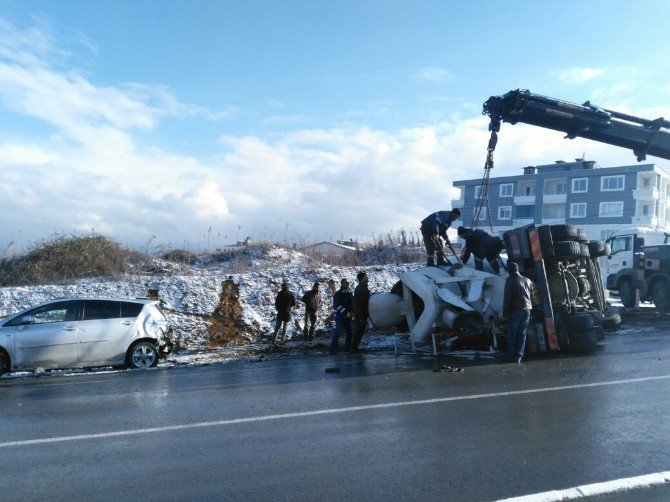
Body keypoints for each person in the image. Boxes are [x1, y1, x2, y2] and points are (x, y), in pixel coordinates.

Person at [502, 262, 533, 363]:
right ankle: (519, 356)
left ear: (508, 270)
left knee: (512, 333)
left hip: (516, 310)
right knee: (522, 333)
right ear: (517, 269)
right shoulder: (527, 280)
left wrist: (505, 312)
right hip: (527, 309)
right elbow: (532, 295)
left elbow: (507, 298)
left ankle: (509, 356)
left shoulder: (510, 280)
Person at [330, 278, 353, 354]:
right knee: (338, 333)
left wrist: (351, 311)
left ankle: (347, 348)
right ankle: (333, 350)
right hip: (340, 317)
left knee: (349, 333)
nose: (347, 284)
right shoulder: (338, 294)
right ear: (342, 284)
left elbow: (351, 304)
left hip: (348, 317)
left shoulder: (349, 293)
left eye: (348, 283)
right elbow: (336, 305)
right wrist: (346, 311)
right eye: (346, 283)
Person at [351, 271, 371, 353]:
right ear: (363, 279)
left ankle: (354, 348)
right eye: (366, 277)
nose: (367, 278)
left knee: (360, 331)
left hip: (362, 314)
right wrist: (360, 317)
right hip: (361, 315)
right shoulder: (360, 288)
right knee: (358, 332)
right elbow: (358, 304)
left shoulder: (363, 287)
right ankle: (353, 349)